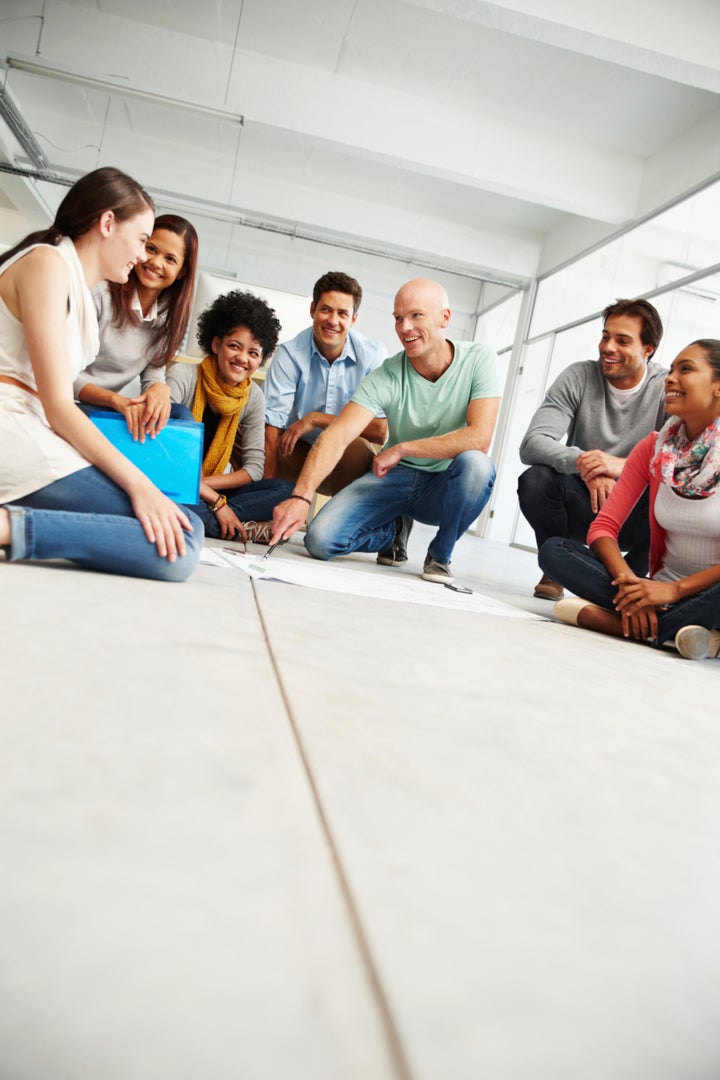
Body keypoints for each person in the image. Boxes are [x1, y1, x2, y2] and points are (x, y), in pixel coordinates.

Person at [0, 167, 203, 580]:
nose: (143, 255)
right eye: (144, 240)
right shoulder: (48, 263)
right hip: (15, 428)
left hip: (31, 426)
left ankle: (12, 524)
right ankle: (7, 527)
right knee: (180, 543)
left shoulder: (65, 271)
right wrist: (140, 485)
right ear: (108, 223)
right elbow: (59, 405)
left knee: (185, 530)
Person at [269, 278, 500, 584]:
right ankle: (391, 532)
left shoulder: (479, 359)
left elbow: (479, 438)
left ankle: (440, 555)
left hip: (445, 485)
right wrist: (301, 497)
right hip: (396, 479)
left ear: (445, 317)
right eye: (398, 318)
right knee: (319, 540)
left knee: (477, 465)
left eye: (416, 315)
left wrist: (403, 448)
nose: (405, 327)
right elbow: (338, 434)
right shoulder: (389, 373)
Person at [540, 339, 720, 661]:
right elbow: (603, 528)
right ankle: (683, 632)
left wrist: (674, 591)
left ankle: (620, 623)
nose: (670, 378)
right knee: (556, 550)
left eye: (687, 369)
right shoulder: (654, 448)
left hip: (706, 594)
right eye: (673, 368)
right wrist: (628, 584)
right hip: (652, 589)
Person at [518, 298, 666, 600]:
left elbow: (674, 460)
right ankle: (557, 567)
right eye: (605, 336)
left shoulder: (666, 387)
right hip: (588, 502)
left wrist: (618, 466)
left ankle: (633, 578)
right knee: (535, 479)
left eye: (622, 341)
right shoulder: (579, 376)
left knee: (667, 489)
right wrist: (587, 464)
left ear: (647, 349)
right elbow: (532, 443)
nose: (608, 347)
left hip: (636, 512)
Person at [167, 290, 293, 542]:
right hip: (172, 481)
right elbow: (162, 457)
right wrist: (217, 503)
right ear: (216, 345)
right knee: (170, 495)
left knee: (284, 490)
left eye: (253, 353)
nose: (242, 358)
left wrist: (207, 489)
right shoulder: (184, 377)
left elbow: (255, 468)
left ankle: (207, 518)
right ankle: (231, 526)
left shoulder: (253, 397)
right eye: (234, 346)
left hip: (205, 487)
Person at [74, 213, 199, 439]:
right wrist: (116, 400)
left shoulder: (169, 317)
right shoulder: (101, 293)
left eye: (170, 259)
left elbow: (153, 373)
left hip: (107, 407)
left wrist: (159, 388)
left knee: (180, 416)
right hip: (70, 402)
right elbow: (63, 376)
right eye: (151, 249)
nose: (156, 263)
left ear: (181, 271)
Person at [263, 270, 388, 494]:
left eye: (342, 313)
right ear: (312, 310)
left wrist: (317, 419)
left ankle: (355, 512)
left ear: (354, 319)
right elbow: (271, 426)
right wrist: (264, 493)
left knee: (356, 445)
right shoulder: (290, 354)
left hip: (345, 459)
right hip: (295, 454)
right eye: (326, 310)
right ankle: (268, 497)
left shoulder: (372, 355)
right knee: (246, 429)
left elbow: (380, 430)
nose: (333, 320)